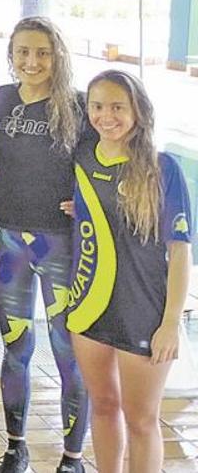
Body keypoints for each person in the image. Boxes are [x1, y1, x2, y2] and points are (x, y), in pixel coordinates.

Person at [68, 70, 191, 473]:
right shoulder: (83, 158)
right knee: (103, 407)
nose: (107, 116)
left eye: (118, 107)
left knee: (141, 420)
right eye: (98, 106)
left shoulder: (161, 168)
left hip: (144, 310)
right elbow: (93, 219)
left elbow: (179, 253)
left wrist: (171, 322)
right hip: (89, 308)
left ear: (138, 109)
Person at [0, 16, 91, 473]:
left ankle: (72, 456)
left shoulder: (78, 105)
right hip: (7, 238)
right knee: (16, 347)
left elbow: (103, 164)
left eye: (42, 53)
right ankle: (15, 446)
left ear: (58, 56)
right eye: (24, 52)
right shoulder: (3, 98)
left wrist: (85, 204)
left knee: (69, 350)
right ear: (11, 54)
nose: (32, 62)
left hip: (59, 243)